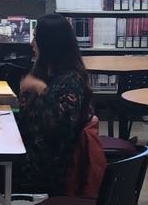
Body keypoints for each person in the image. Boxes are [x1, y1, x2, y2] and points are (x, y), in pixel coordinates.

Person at [17, 13, 93, 194]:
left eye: (36, 38)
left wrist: (41, 89)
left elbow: (60, 127)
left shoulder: (72, 81)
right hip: (30, 153)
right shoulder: (45, 72)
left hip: (46, 168)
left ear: (49, 44)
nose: (32, 44)